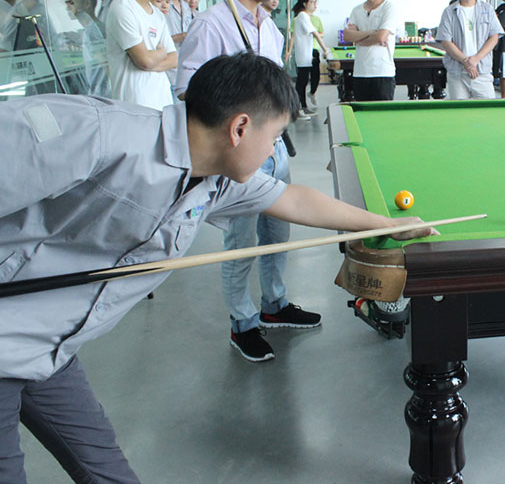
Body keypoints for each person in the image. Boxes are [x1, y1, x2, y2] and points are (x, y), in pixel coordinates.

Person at [0, 52, 434, 483]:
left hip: (51, 348)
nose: (275, 149)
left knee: (108, 472)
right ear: (240, 128)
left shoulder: (216, 179)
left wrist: (387, 225)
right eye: (275, 135)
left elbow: (293, 199)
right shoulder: (98, 133)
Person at [176, 0, 318, 363]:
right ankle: (242, 323)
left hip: (274, 149)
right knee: (240, 243)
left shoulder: (269, 28)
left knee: (277, 233)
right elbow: (187, 91)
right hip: (237, 154)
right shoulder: (211, 24)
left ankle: (274, 304)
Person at [105, 0, 177, 110]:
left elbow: (174, 59)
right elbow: (145, 60)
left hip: (163, 101)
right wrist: (160, 53)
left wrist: (150, 60)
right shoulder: (123, 7)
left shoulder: (158, 14)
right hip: (134, 105)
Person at [435, 0, 503, 100]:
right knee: (459, 110)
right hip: (457, 74)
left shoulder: (487, 9)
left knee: (487, 109)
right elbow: (446, 41)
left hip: (482, 72)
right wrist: (466, 62)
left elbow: (494, 37)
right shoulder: (449, 12)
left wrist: (476, 59)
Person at [343, 0, 401, 101]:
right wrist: (372, 33)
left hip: (383, 74)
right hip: (360, 73)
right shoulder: (356, 10)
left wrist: (358, 37)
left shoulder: (389, 8)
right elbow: (347, 36)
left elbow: (381, 37)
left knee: (382, 114)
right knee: (361, 113)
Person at [65, 0, 111, 97]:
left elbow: (107, 66)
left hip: (102, 96)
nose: (67, 8)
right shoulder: (96, 28)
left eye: (71, 3)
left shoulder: (92, 32)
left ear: (87, 3)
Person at [164, 0, 203, 90]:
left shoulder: (185, 5)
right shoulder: (160, 3)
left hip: (185, 74)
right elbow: (153, 43)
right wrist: (181, 37)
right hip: (167, 74)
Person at [291, 0, 330, 115]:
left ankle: (303, 107)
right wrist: (325, 49)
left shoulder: (305, 17)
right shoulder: (302, 16)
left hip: (306, 55)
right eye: (312, 2)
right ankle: (298, 109)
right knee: (301, 82)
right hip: (303, 55)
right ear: (304, 4)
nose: (314, 4)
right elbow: (315, 33)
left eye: (315, 2)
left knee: (304, 81)